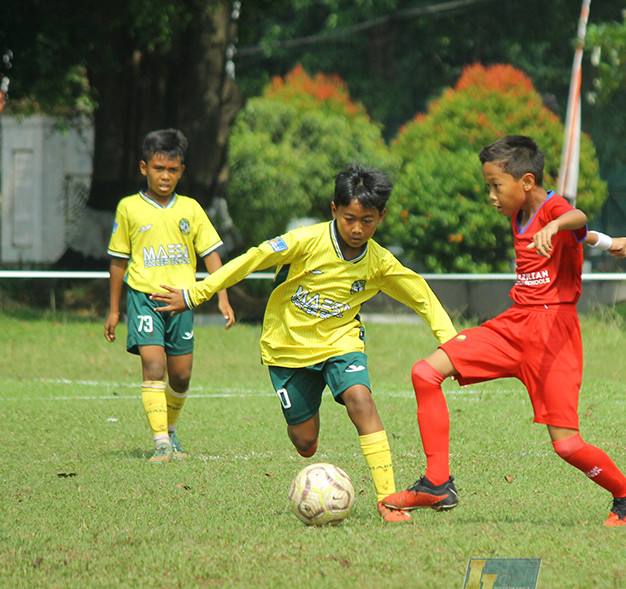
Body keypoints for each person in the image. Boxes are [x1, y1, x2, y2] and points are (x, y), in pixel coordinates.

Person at [151, 164, 457, 523]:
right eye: (349, 218)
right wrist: (195, 294)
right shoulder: (305, 241)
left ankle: (387, 500)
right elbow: (252, 259)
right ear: (334, 211)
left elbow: (421, 295)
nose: (358, 229)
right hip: (287, 349)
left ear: (381, 217)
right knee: (305, 443)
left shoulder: (379, 263)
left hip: (341, 343)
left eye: (368, 220)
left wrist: (452, 346)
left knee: (361, 400)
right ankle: (308, 419)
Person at [383, 135, 626, 527]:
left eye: (495, 186)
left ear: (526, 182)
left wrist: (555, 222)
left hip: (553, 337)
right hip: (515, 324)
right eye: (488, 186)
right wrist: (611, 243)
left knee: (568, 445)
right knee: (425, 372)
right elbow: (583, 236)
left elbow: (577, 220)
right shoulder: (517, 212)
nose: (491, 195)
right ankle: (437, 483)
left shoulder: (552, 208)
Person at [105, 128, 235, 464]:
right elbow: (118, 260)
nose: (165, 176)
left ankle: (171, 429)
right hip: (144, 298)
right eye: (159, 169)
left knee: (181, 376)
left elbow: (211, 255)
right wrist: (114, 310)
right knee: (153, 366)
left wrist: (222, 296)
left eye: (172, 170)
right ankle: (161, 442)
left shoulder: (190, 209)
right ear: (144, 167)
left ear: (181, 171)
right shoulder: (129, 208)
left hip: (182, 301)